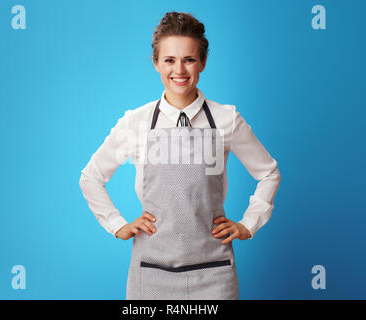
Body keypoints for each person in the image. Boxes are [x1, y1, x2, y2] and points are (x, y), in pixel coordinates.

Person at [79, 11, 281, 300]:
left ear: (203, 62)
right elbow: (91, 177)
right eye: (169, 60)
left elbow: (269, 173)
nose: (180, 70)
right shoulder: (136, 122)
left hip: (214, 272)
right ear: (156, 63)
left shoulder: (226, 119)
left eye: (189, 59)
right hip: (151, 271)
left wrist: (249, 224)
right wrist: (117, 224)